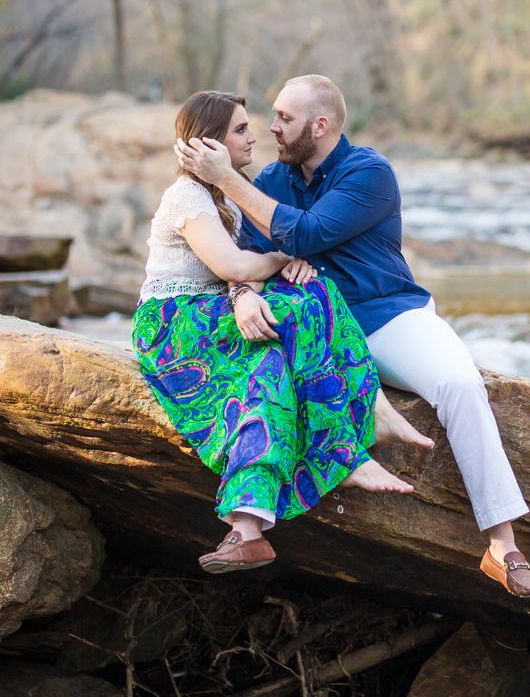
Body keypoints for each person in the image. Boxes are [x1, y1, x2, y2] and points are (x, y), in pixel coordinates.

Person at [175, 75, 530, 598]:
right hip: (313, 326)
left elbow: (306, 234)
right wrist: (243, 297)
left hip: (386, 318)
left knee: (460, 385)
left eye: (285, 118)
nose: (272, 127)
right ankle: (249, 526)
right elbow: (243, 259)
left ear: (320, 125)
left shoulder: (368, 172)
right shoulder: (276, 183)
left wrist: (231, 182)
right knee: (257, 382)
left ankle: (503, 547)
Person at [134, 90, 433, 574]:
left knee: (279, 357)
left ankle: (248, 526)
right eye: (240, 129)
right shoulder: (187, 194)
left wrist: (283, 267)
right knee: (306, 306)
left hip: (214, 310)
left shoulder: (229, 192)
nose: (257, 135)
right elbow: (232, 264)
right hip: (175, 323)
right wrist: (285, 257)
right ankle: (351, 442)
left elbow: (247, 268)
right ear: (209, 145)